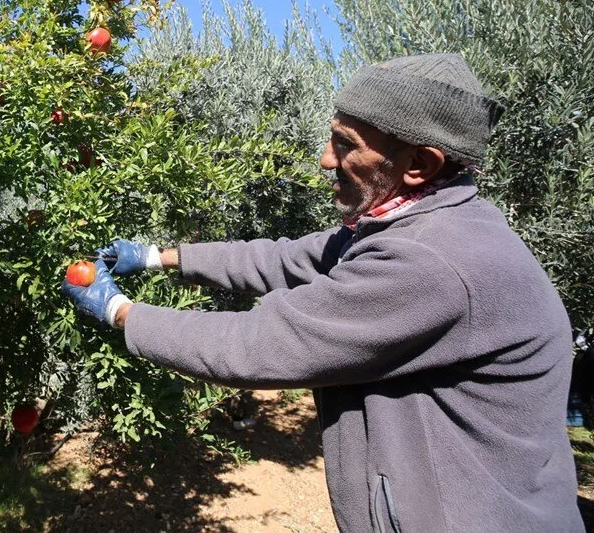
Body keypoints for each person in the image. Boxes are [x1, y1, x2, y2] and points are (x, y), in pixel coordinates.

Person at [62, 53, 582, 532]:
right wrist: (157, 256)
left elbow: (261, 344)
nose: (325, 160)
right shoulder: (409, 224)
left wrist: (118, 311)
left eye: (344, 145)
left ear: (418, 164)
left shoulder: (429, 262)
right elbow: (287, 258)